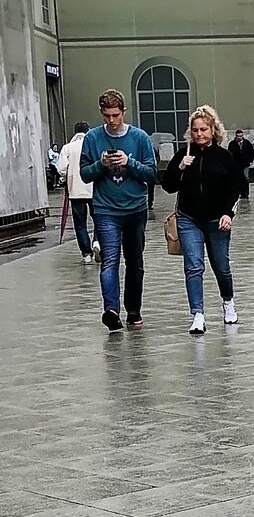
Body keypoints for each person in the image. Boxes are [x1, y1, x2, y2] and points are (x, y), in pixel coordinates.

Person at [79, 89, 157, 333]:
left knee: (134, 261)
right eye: (106, 116)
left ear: (124, 112)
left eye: (115, 115)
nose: (111, 121)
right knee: (110, 260)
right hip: (105, 209)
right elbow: (84, 173)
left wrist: (129, 162)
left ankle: (133, 310)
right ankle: (111, 310)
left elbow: (152, 173)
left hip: (135, 208)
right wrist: (100, 164)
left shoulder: (140, 138)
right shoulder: (92, 138)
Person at [161, 106, 242, 334]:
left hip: (218, 220)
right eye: (195, 130)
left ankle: (228, 302)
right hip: (189, 218)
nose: (199, 134)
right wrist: (179, 167)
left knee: (221, 265)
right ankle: (197, 314)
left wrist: (229, 213)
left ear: (213, 129)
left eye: (204, 129)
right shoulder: (184, 154)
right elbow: (168, 186)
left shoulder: (224, 157)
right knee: (193, 266)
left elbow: (235, 188)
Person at [58, 121, 101, 264]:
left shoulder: (67, 148)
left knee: (80, 223)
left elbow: (62, 169)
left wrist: (65, 180)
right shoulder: (94, 145)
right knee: (99, 219)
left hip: (75, 191)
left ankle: (86, 254)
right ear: (88, 130)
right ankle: (97, 242)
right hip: (94, 189)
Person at [229, 129, 254, 200]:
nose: (239, 137)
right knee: (238, 178)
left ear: (243, 136)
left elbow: (251, 152)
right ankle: (239, 192)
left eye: (240, 136)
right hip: (236, 164)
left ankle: (246, 193)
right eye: (238, 136)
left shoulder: (247, 143)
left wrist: (250, 160)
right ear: (236, 136)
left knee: (245, 177)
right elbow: (230, 154)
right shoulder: (232, 144)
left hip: (245, 163)